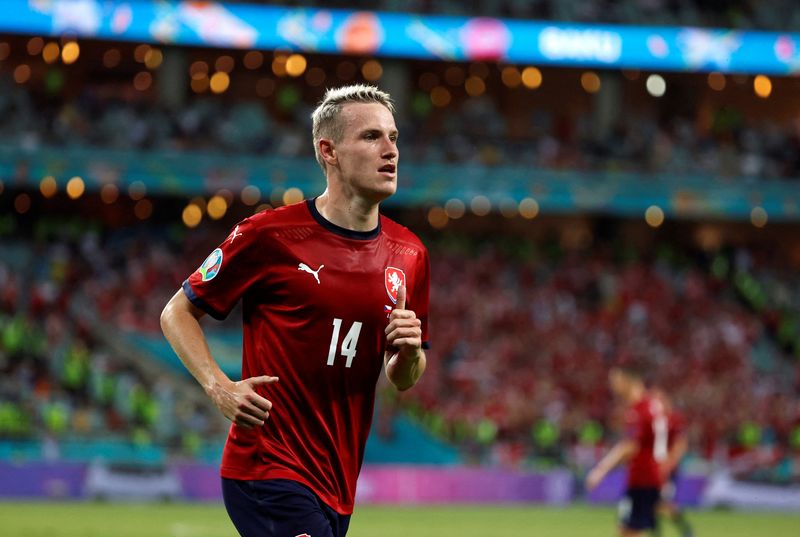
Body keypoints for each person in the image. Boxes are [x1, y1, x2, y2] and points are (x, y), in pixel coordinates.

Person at [160, 84, 429, 537]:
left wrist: (408, 352)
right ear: (329, 151)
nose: (390, 151)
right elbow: (176, 312)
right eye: (371, 137)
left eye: (394, 137)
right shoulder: (269, 236)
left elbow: (403, 376)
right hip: (267, 468)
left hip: (337, 481)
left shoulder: (410, 253)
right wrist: (218, 385)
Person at [585, 365, 666, 537]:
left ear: (629, 381)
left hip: (642, 478)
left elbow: (630, 446)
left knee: (629, 531)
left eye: (616, 381)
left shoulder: (639, 410)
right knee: (630, 530)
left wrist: (601, 470)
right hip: (649, 476)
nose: (613, 386)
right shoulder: (652, 406)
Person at [652, 387, 694, 537]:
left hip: (668, 470)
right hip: (655, 469)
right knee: (654, 503)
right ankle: (684, 530)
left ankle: (686, 530)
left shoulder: (674, 419)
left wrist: (669, 463)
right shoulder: (655, 421)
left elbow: (681, 444)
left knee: (661, 503)